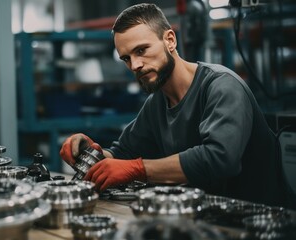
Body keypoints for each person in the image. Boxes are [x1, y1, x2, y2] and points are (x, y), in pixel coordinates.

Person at [60, 3, 285, 207]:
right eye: (126, 58)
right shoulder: (157, 103)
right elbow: (123, 153)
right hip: (207, 217)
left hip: (260, 219)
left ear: (170, 40)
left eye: (141, 50)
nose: (135, 65)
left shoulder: (222, 86)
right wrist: (92, 153)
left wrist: (137, 169)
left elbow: (220, 159)